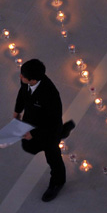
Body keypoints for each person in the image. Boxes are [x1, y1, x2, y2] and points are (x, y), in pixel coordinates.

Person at [14, 59, 74, 202]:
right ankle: (63, 132)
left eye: (23, 76)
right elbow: (22, 93)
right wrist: (17, 111)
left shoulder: (51, 96)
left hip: (49, 130)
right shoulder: (26, 81)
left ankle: (57, 182)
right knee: (29, 146)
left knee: (53, 157)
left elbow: (51, 123)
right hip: (32, 121)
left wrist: (33, 133)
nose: (20, 77)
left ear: (33, 80)